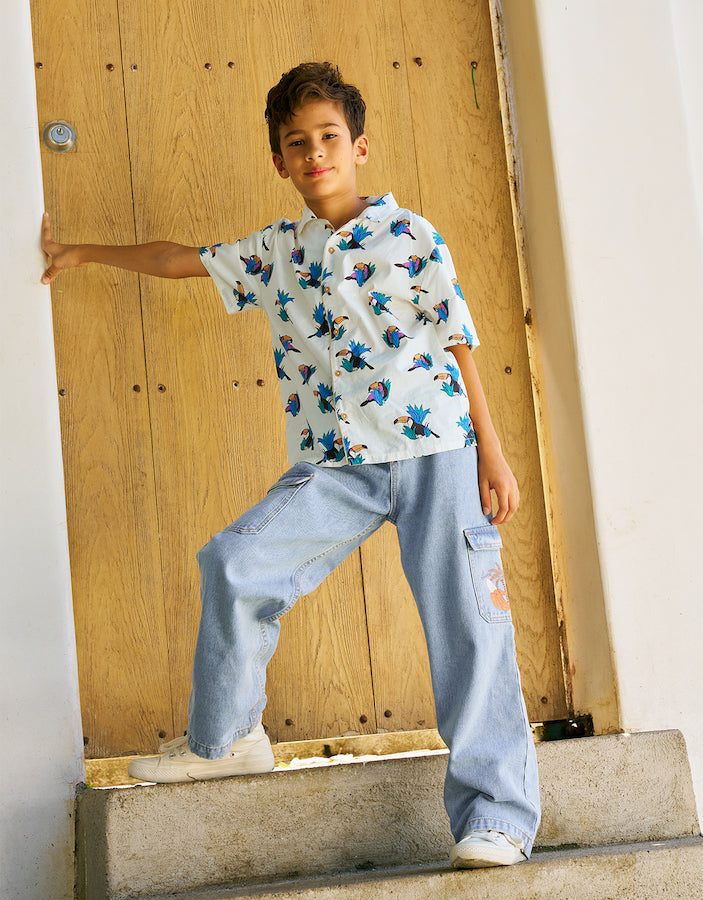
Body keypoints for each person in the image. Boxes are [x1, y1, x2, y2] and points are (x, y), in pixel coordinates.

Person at [41, 61, 540, 869]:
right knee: (235, 562)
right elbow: (182, 260)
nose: (315, 154)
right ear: (279, 160)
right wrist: (84, 253)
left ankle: (498, 819)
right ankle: (228, 736)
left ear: (359, 147)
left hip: (437, 450)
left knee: (469, 633)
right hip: (335, 464)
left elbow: (457, 343)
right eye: (296, 143)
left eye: (329, 139)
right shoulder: (278, 250)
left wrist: (492, 448)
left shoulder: (410, 235)